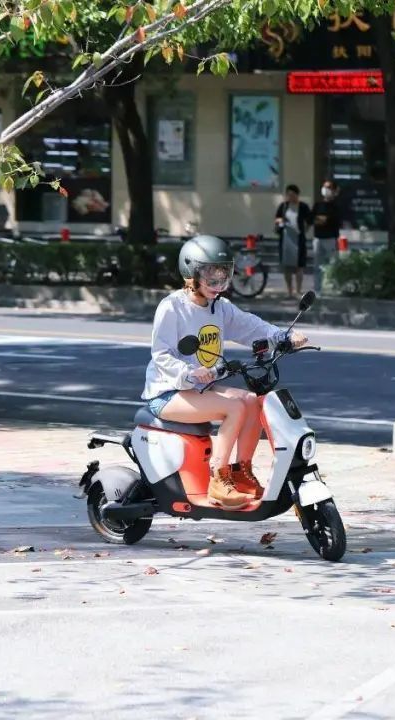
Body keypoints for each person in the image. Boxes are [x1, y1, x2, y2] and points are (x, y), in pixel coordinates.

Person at [142, 235, 308, 510]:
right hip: (168, 391)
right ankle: (218, 479)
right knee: (234, 408)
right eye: (211, 278)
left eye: (223, 277)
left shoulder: (219, 307)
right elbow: (161, 356)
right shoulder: (172, 307)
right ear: (191, 273)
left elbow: (250, 326)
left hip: (199, 389)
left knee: (251, 402)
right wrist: (191, 372)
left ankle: (241, 473)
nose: (218, 285)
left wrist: (282, 336)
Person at [274, 184, 312, 299]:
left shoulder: (303, 206)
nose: (291, 197)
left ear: (297, 195)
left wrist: (305, 229)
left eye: (293, 195)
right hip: (285, 239)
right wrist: (279, 220)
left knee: (299, 266)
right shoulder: (283, 206)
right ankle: (290, 290)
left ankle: (298, 290)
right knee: (287, 267)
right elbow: (277, 219)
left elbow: (309, 220)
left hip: (298, 238)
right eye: (288, 195)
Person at [311, 179, 345, 296]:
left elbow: (336, 220)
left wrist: (324, 219)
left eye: (329, 187)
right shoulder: (318, 205)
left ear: (334, 190)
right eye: (324, 187)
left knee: (333, 265)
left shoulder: (336, 206)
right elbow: (312, 219)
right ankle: (317, 289)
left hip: (330, 238)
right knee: (317, 266)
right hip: (317, 238)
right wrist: (322, 219)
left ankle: (335, 288)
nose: (326, 189)